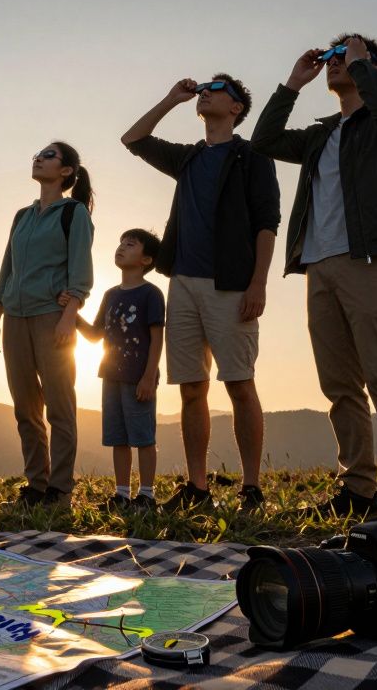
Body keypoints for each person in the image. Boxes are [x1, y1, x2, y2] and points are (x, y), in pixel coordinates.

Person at [251, 34, 377, 525]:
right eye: (331, 58)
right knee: (339, 385)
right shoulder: (320, 135)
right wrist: (293, 84)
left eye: (344, 58)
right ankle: (358, 489)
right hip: (319, 264)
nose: (334, 63)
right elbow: (264, 141)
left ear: (373, 69)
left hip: (372, 259)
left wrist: (359, 59)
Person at [121, 74, 281, 514]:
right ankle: (198, 488)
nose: (205, 90)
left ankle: (251, 488)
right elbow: (133, 139)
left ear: (236, 108)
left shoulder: (252, 156)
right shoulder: (188, 157)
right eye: (203, 87)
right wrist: (171, 98)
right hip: (183, 283)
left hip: (231, 284)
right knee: (191, 388)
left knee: (239, 384)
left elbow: (267, 222)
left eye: (217, 87)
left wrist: (258, 282)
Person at [0, 142, 95, 509]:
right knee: (25, 407)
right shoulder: (22, 216)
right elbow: (7, 267)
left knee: (59, 405)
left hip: (52, 316)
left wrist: (69, 317)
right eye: (38, 154)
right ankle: (36, 485)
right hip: (14, 318)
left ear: (66, 171)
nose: (38, 158)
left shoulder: (74, 213)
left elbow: (81, 269)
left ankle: (59, 490)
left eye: (48, 155)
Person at [71, 229, 165, 512]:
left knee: (143, 437)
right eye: (121, 242)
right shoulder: (110, 295)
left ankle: (146, 495)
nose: (121, 247)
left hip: (138, 377)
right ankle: (122, 495)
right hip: (110, 375)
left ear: (146, 259)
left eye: (130, 244)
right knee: (118, 437)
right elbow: (95, 335)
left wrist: (149, 376)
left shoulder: (151, 294)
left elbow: (157, 339)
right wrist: (72, 314)